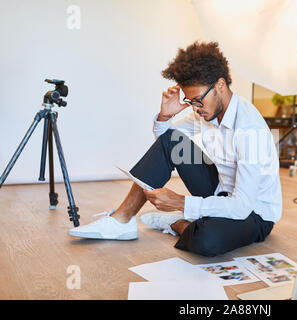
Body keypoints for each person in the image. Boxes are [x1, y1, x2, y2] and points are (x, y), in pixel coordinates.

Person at [69, 41, 282, 257]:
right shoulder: (205, 112)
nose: (196, 108)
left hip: (254, 213)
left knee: (207, 241)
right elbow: (166, 144)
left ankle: (177, 222)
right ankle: (122, 219)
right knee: (174, 138)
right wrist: (165, 116)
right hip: (219, 189)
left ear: (220, 85)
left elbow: (241, 206)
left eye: (198, 100)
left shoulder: (250, 129)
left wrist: (180, 203)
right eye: (191, 102)